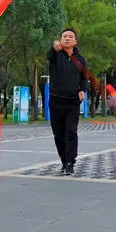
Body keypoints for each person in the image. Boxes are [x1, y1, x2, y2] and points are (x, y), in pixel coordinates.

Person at [46, 28, 89, 176]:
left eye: (70, 37)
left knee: (71, 132)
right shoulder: (56, 55)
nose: (67, 38)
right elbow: (49, 56)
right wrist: (54, 48)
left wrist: (83, 90)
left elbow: (85, 78)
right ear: (61, 40)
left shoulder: (81, 59)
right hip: (56, 101)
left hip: (72, 102)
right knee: (58, 134)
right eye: (64, 36)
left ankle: (70, 162)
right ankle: (64, 160)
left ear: (75, 41)